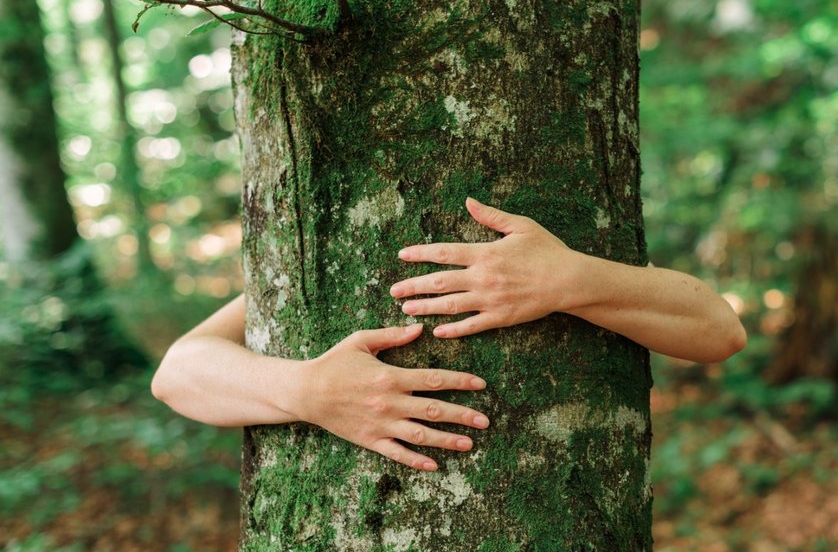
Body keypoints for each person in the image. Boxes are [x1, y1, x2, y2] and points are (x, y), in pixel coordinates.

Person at [152, 197, 747, 472]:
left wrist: (571, 278)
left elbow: (718, 331)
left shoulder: (552, 248)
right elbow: (177, 375)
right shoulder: (312, 264)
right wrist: (307, 390)